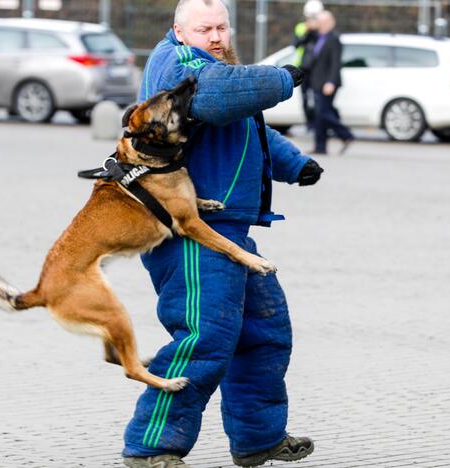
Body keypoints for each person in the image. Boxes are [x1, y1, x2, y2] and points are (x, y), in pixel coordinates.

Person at [122, 1, 323, 467]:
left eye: (220, 27)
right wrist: (279, 79)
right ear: (179, 29)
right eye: (203, 28)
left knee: (264, 332)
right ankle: (151, 447)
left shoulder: (214, 64)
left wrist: (295, 164)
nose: (214, 36)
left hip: (227, 231)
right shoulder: (178, 63)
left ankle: (259, 438)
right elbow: (216, 98)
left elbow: (246, 128)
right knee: (203, 336)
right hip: (190, 233)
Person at [308, 10, 354, 155]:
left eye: (321, 23)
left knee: (323, 113)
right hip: (316, 82)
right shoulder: (317, 37)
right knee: (320, 114)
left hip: (327, 83)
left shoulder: (334, 38)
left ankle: (346, 134)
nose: (319, 25)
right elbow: (300, 43)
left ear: (329, 23)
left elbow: (335, 63)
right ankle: (320, 147)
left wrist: (331, 82)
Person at [293, 0, 324, 130]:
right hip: (302, 67)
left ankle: (319, 124)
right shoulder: (301, 27)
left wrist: (315, 31)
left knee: (318, 98)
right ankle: (309, 123)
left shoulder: (322, 28)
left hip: (317, 69)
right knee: (305, 98)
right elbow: (296, 44)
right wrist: (307, 32)